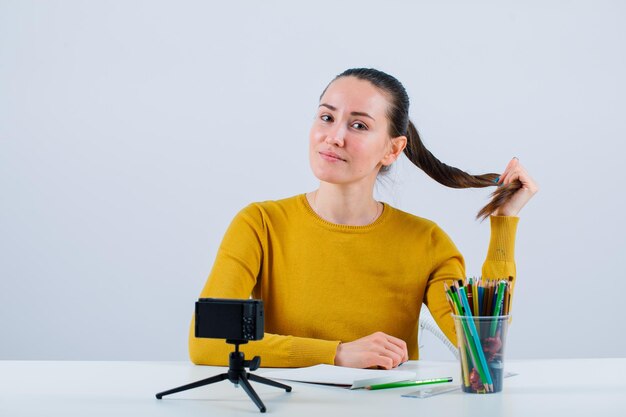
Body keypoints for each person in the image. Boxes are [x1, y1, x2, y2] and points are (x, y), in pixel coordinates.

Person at [189, 68, 538, 370]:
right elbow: (207, 343)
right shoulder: (260, 224)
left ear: (392, 150)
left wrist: (503, 224)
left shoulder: (426, 241)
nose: (334, 136)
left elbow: (482, 349)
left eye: (358, 125)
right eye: (327, 117)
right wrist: (336, 354)